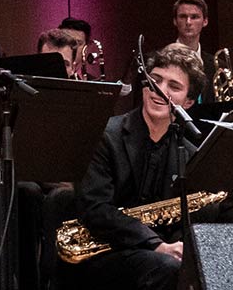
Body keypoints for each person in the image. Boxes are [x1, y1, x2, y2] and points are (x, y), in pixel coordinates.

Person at [65, 43, 205, 290]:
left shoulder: (189, 153)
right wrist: (154, 244)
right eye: (156, 80)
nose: (160, 91)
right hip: (104, 253)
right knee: (168, 268)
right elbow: (96, 208)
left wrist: (178, 247)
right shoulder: (105, 135)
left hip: (158, 255)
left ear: (189, 102)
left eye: (174, 86)